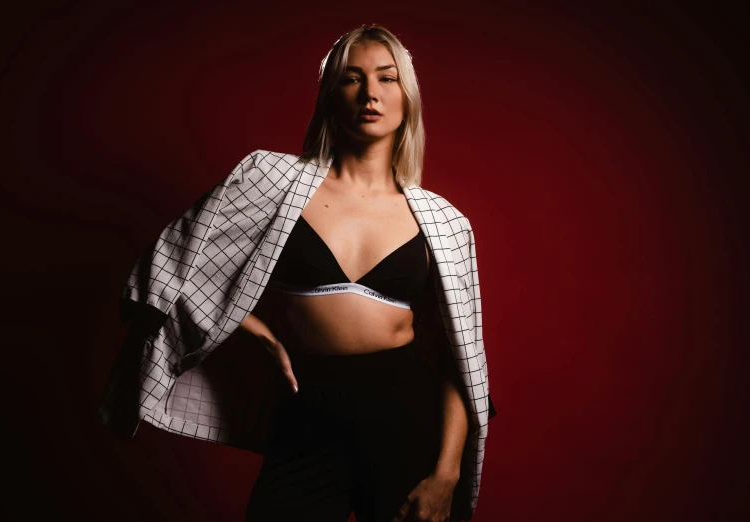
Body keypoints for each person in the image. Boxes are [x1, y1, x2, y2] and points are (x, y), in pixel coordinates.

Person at [97, 23, 496, 522]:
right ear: (331, 93)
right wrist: (256, 330)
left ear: (407, 96)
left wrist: (445, 475)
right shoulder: (271, 180)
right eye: (352, 79)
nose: (370, 93)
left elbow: (458, 359)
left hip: (403, 415)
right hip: (306, 411)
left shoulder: (445, 222)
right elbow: (166, 268)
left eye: (386, 78)